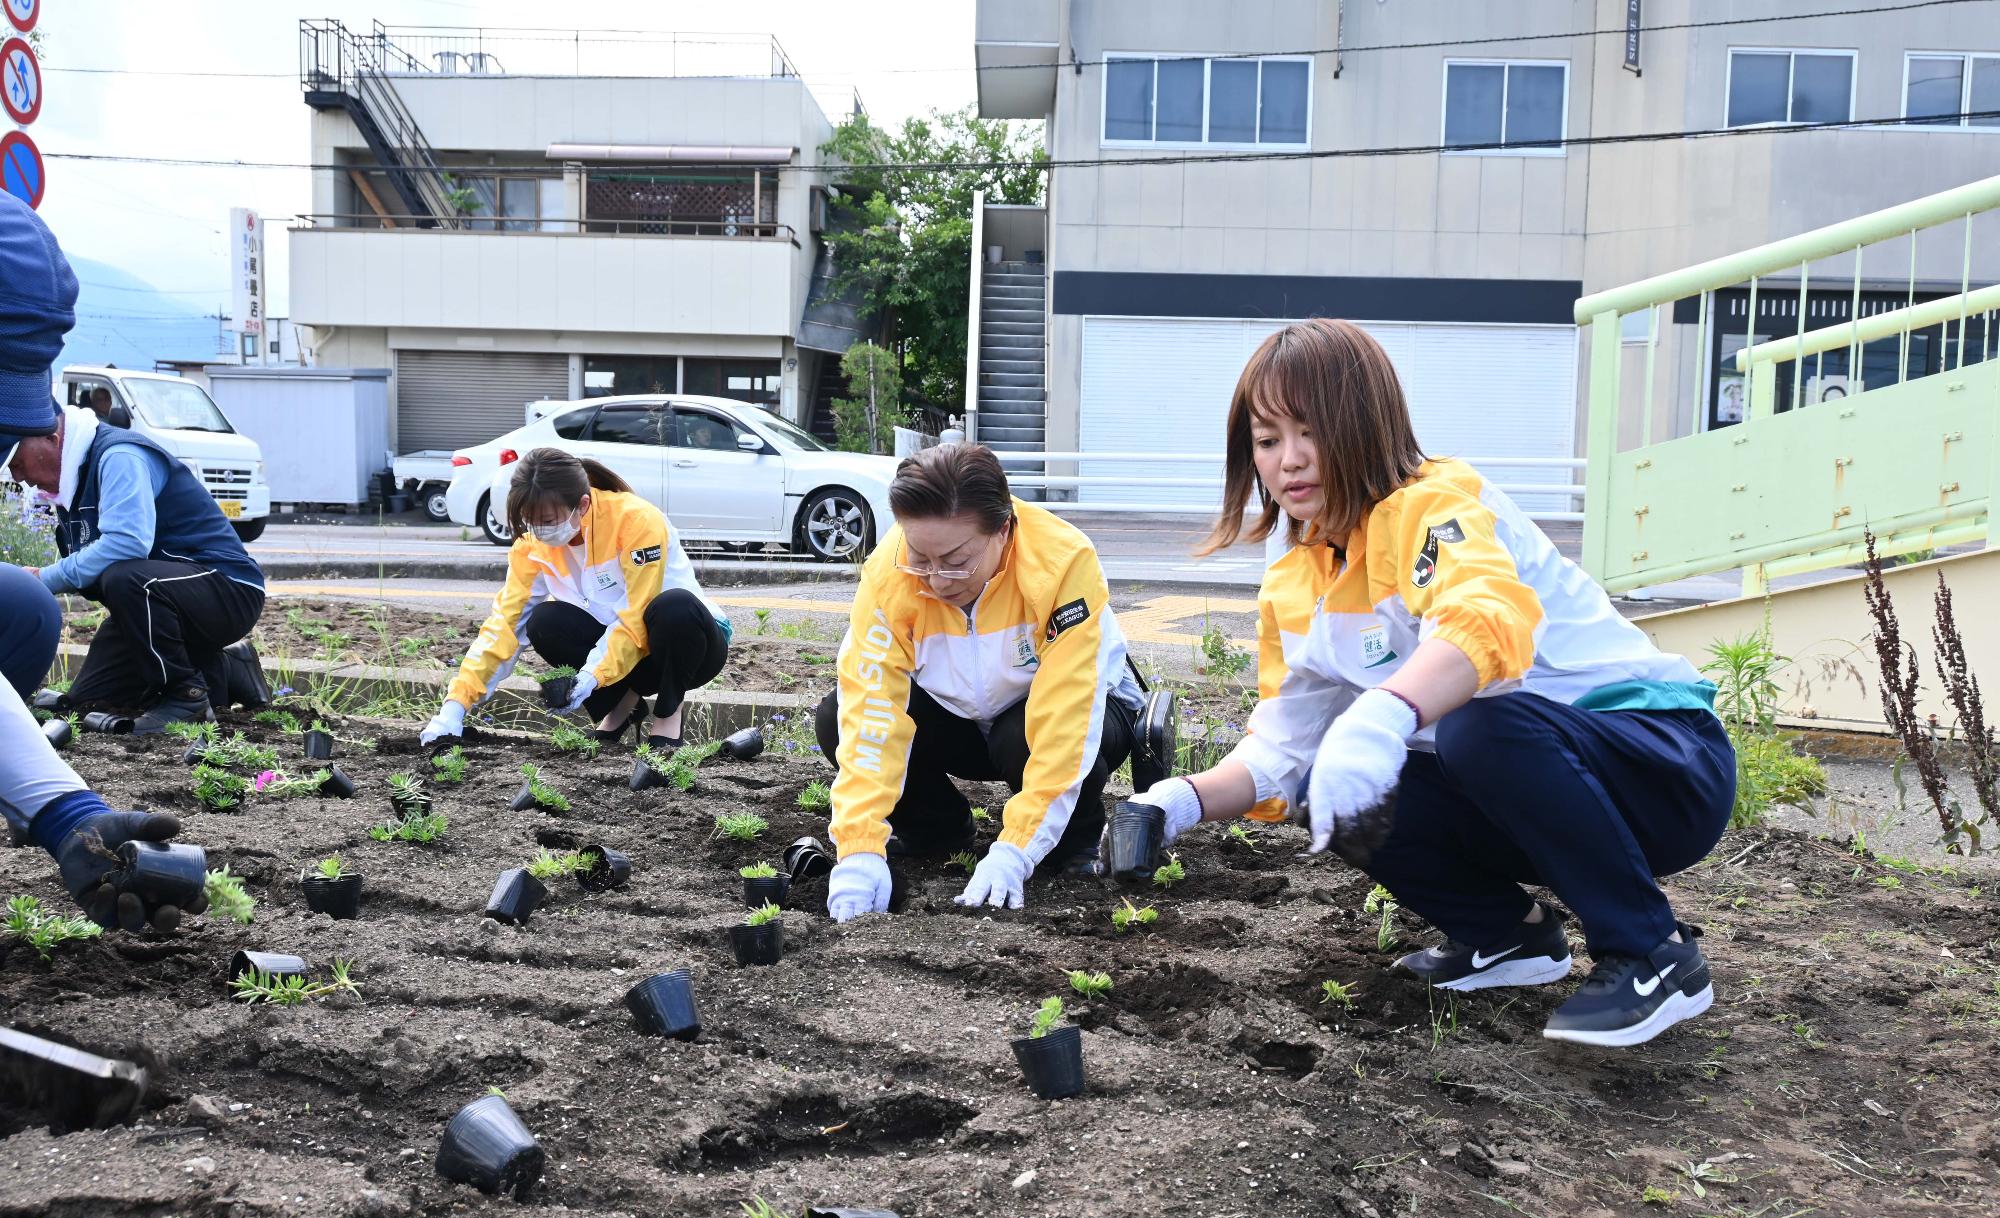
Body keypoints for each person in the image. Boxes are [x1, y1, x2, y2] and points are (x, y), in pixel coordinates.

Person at [1125, 319, 1734, 1048]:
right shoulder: (1298, 573)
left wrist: (1383, 712)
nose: (1289, 461)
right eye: (1266, 439)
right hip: (1532, 784)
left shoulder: (1436, 504)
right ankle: (1508, 937)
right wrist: (1177, 803)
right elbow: (1280, 750)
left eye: (1310, 431)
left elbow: (1484, 621)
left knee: (1480, 723)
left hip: (1664, 763)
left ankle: (1654, 953)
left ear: (1364, 423)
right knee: (1330, 785)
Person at [815, 443, 1175, 921]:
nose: (937, 579)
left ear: (1003, 528)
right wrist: (859, 848)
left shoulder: (1060, 563)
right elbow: (870, 712)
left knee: (1020, 734)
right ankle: (938, 829)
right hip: (962, 720)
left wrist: (1016, 850)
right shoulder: (888, 578)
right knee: (833, 716)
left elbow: (1067, 719)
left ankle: (1076, 840)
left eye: (956, 559)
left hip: (1073, 719)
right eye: (920, 557)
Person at [0, 189, 198, 932]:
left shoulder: (118, 456)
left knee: (20, 612)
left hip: (208, 588)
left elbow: (127, 545)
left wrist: (65, 813)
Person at [421, 447, 731, 746]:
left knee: (673, 606)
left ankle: (668, 717)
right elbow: (504, 626)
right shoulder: (533, 547)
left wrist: (591, 676)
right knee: (544, 621)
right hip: (624, 658)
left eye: (548, 520)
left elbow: (636, 614)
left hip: (688, 648)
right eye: (531, 520)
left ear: (581, 505)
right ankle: (620, 709)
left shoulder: (635, 520)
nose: (540, 531)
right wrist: (455, 707)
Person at [5, 399, 266, 734]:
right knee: (88, 700)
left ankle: (186, 696)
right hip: (163, 599)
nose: (18, 477)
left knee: (125, 578)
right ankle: (225, 669)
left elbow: (127, 543)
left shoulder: (118, 456)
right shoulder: (70, 480)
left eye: (16, 461)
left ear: (51, 439)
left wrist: (43, 579)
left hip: (227, 588)